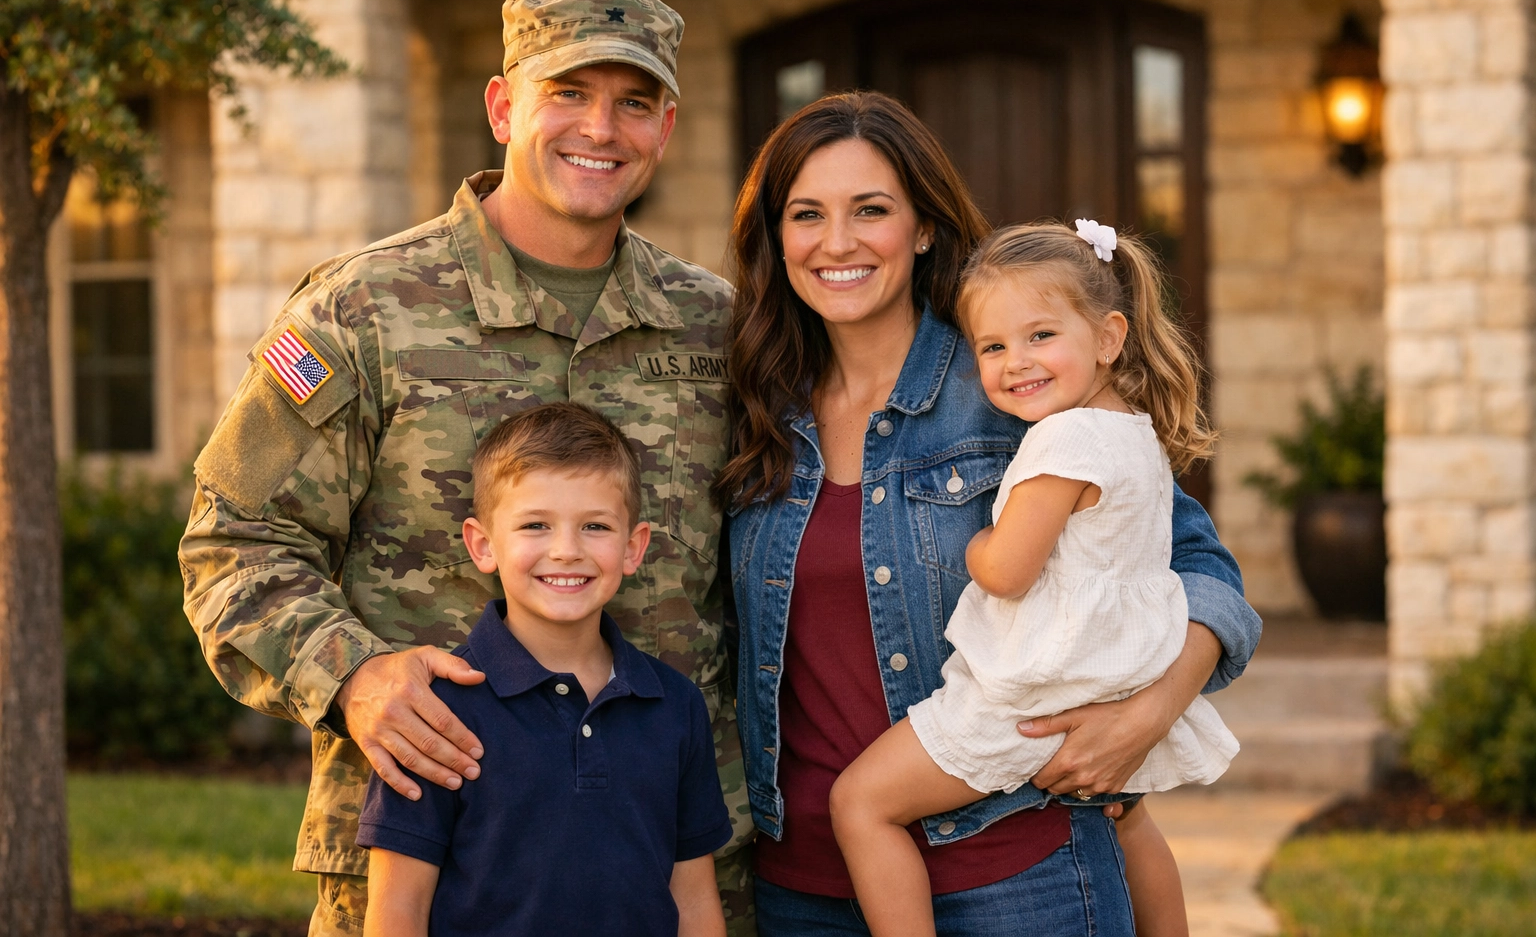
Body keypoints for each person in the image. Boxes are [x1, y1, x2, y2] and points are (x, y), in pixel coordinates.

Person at [179, 0, 755, 936]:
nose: (600, 128)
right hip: (429, 870)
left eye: (634, 101)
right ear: (503, 107)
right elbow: (232, 543)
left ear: (666, 128)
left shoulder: (716, 327)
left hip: (671, 871)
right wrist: (355, 675)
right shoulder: (362, 312)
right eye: (567, 92)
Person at [720, 92, 1262, 937]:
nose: (838, 242)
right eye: (807, 214)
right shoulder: (755, 404)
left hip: (1018, 868)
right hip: (804, 886)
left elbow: (1205, 575)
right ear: (776, 236)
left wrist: (1147, 718)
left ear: (925, 226)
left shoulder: (1014, 386)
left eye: (872, 211)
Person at [829, 220, 1241, 937]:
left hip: (1040, 691)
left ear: (1109, 338)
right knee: (1129, 820)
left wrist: (980, 539)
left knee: (861, 803)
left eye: (1039, 336)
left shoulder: (1064, 440)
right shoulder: (1132, 429)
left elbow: (1008, 571)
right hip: (1113, 673)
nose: (1016, 362)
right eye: (992, 347)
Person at [359, 403, 732, 937]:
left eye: (595, 526)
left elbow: (694, 903)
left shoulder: (675, 704)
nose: (566, 551)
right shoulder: (434, 710)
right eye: (535, 524)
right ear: (483, 545)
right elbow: (398, 910)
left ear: (634, 547)